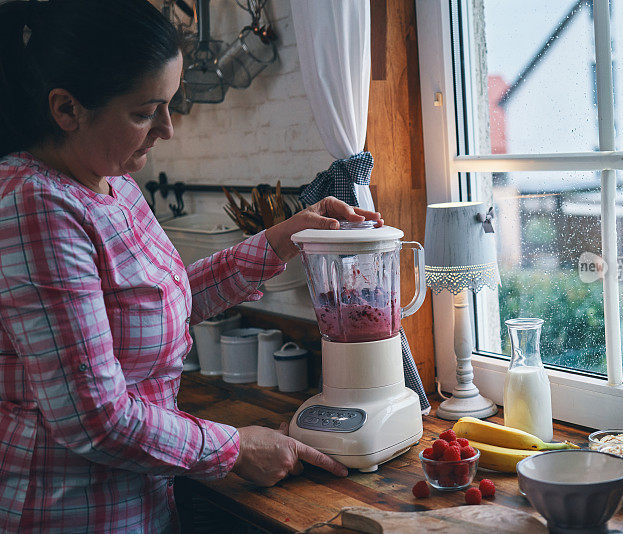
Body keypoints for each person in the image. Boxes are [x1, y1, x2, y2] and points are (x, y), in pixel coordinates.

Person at [0, 1, 381, 531]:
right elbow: (94, 418)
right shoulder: (35, 206)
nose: (168, 130)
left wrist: (284, 238)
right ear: (67, 109)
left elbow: (168, 299)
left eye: (170, 104)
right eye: (144, 111)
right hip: (69, 512)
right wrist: (234, 447)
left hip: (145, 501)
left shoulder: (114, 184)